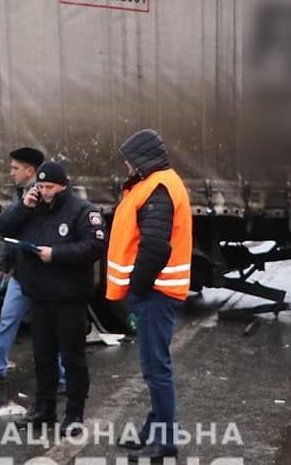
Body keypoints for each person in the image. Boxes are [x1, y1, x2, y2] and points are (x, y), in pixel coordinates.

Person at [0, 161, 105, 433]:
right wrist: (24, 204)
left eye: (50, 187)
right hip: (38, 296)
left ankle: (74, 414)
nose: (45, 192)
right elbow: (4, 228)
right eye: (41, 186)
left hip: (68, 297)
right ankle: (44, 410)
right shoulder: (33, 209)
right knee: (42, 356)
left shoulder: (81, 210)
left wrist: (56, 255)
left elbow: (94, 246)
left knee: (72, 357)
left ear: (63, 186)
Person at [106, 129, 191, 462]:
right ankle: (152, 430)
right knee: (154, 367)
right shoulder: (154, 184)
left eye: (128, 159)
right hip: (155, 292)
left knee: (156, 369)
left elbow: (155, 246)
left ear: (141, 158)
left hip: (156, 293)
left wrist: (137, 287)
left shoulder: (157, 188)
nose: (126, 165)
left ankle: (165, 442)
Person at [0, 146, 50, 382]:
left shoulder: (46, 195)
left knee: (47, 327)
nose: (10, 173)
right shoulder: (21, 194)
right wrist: (5, 264)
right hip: (21, 271)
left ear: (30, 170)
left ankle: (62, 376)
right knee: (8, 319)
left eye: (15, 168)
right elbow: (10, 231)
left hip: (42, 273)